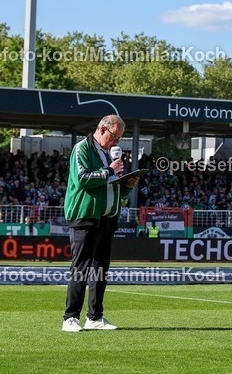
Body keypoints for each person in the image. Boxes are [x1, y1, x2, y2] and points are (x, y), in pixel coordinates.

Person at [62, 115, 139, 332]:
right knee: (81, 269)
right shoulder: (82, 149)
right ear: (102, 130)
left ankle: (94, 317)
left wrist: (127, 184)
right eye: (115, 137)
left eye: (119, 139)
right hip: (85, 216)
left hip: (107, 218)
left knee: (100, 270)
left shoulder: (108, 154)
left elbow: (111, 186)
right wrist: (110, 171)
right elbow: (83, 179)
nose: (117, 143)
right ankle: (70, 318)